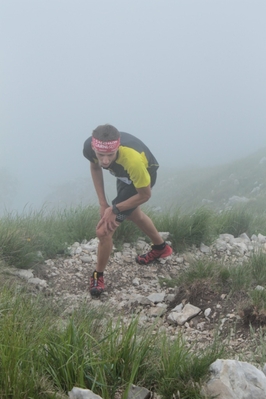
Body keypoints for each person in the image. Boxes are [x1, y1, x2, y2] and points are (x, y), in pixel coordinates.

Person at [83, 124, 172, 297]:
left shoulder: (133, 160)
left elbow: (145, 195)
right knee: (134, 214)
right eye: (101, 155)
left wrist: (114, 209)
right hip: (123, 174)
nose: (106, 161)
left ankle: (98, 276)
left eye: (111, 154)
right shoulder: (89, 148)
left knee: (103, 231)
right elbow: (95, 167)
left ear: (118, 148)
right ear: (94, 148)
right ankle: (161, 248)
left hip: (142, 176)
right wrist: (103, 203)